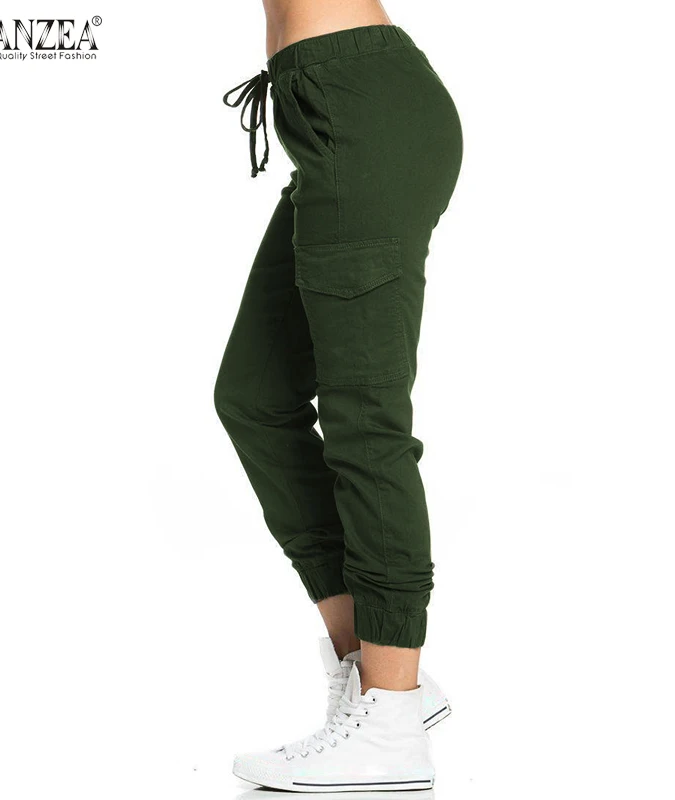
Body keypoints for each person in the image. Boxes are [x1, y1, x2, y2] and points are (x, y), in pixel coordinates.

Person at [215, 0, 463, 791]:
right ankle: (377, 677)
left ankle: (390, 727)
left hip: (358, 102)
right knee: (255, 397)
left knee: (365, 422)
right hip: (326, 110)